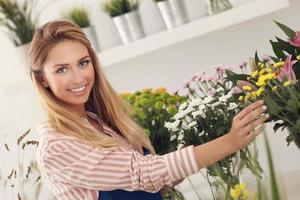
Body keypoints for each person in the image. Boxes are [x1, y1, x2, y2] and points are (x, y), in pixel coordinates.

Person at [29, 19, 269, 200]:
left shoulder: (99, 122)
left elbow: (161, 180)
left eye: (83, 63)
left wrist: (227, 105)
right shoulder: (56, 147)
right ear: (43, 80)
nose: (78, 77)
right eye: (62, 69)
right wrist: (229, 142)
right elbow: (144, 173)